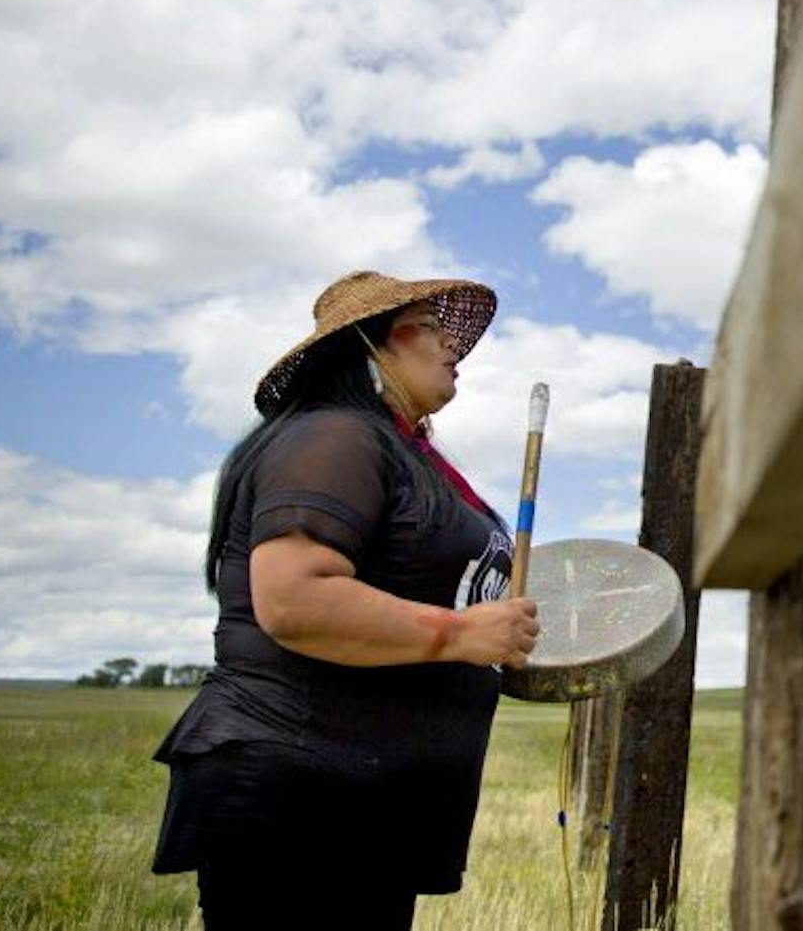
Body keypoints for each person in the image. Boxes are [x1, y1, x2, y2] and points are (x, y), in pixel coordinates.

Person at [150, 271, 540, 928]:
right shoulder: (334, 435)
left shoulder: (404, 453)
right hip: (304, 798)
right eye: (426, 324)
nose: (452, 343)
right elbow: (295, 598)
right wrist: (459, 634)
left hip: (363, 804)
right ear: (366, 345)